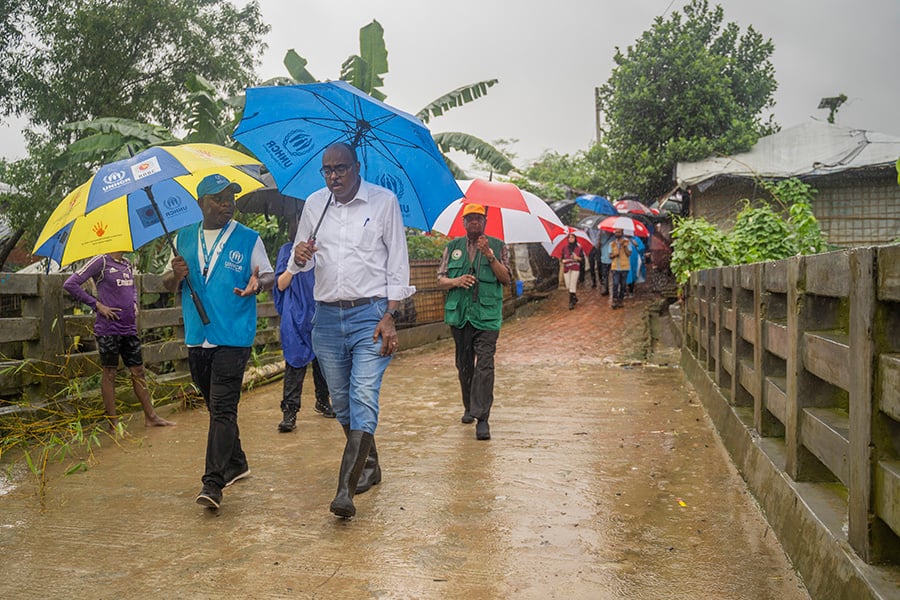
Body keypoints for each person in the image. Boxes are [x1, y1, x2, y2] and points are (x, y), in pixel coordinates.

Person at [289, 142, 413, 518]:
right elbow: (300, 264)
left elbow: (397, 261)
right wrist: (300, 257)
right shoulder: (314, 205)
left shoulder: (383, 202)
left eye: (340, 168)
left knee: (362, 394)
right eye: (327, 170)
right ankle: (370, 465)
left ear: (357, 168)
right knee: (341, 401)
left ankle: (345, 490)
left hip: (370, 315)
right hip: (326, 318)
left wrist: (391, 314)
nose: (333, 176)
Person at [163, 173, 275, 510]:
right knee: (216, 407)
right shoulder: (183, 239)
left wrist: (259, 283)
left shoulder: (248, 238)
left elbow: (267, 273)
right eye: (218, 198)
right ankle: (237, 462)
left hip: (234, 334)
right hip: (198, 335)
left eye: (231, 197)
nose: (227, 204)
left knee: (223, 407)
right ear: (201, 203)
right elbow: (166, 282)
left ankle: (213, 483)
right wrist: (175, 275)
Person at [64, 252, 175, 430]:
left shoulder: (127, 264)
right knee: (110, 373)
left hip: (129, 328)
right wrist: (97, 305)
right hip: (108, 329)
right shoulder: (100, 261)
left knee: (138, 371)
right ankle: (113, 421)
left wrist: (134, 303)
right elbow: (70, 284)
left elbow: (132, 289)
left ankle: (151, 417)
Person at [436, 203, 511, 441]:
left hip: (487, 317)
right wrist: (456, 281)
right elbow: (440, 279)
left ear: (485, 222)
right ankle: (468, 405)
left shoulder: (498, 246)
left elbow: (506, 278)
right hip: (460, 316)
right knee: (464, 365)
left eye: (479, 218)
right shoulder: (452, 247)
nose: (474, 223)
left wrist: (489, 255)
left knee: (485, 366)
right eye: (470, 219)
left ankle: (483, 418)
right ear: (464, 223)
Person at [273, 218, 335, 434]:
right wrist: (295, 264)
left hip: (319, 311)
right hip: (295, 313)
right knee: (295, 363)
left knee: (323, 362)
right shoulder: (287, 250)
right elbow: (280, 284)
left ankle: (323, 401)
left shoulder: (325, 251)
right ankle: (289, 413)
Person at [608, 228, 632, 309]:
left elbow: (629, 254)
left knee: (623, 285)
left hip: (624, 267)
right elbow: (610, 256)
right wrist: (615, 254)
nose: (617, 233)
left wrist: (624, 247)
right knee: (615, 284)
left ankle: (620, 300)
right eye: (616, 232)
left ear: (622, 232)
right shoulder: (612, 243)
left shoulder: (627, 242)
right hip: (615, 267)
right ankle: (614, 300)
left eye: (619, 232)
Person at [561, 233, 583, 309]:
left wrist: (577, 258)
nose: (570, 239)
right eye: (569, 237)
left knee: (572, 284)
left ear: (575, 238)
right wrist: (563, 260)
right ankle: (574, 297)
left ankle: (571, 302)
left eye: (572, 237)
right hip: (567, 268)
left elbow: (581, 259)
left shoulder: (579, 248)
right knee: (568, 285)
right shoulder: (564, 248)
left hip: (575, 268)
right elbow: (562, 258)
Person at [598, 230, 613, 296]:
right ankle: (605, 289)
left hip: (613, 259)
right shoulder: (602, 236)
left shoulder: (615, 237)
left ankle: (614, 289)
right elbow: (598, 246)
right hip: (604, 258)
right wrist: (599, 239)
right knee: (605, 275)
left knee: (614, 276)